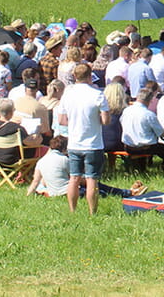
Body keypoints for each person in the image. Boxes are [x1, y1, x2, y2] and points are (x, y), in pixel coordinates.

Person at [56, 63, 110, 215]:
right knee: (92, 180)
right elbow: (106, 121)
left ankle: (72, 210)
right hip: (93, 143)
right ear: (89, 76)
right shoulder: (98, 94)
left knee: (74, 178)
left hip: (74, 143)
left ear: (74, 76)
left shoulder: (68, 94)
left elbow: (61, 120)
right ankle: (92, 211)